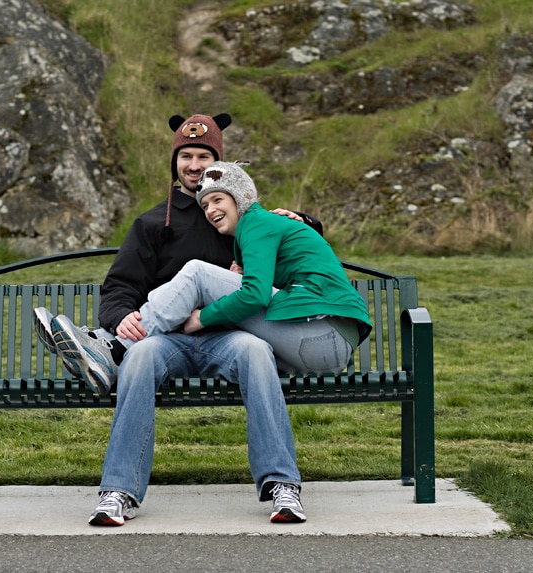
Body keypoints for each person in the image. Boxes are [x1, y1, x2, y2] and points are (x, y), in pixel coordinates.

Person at [35, 113, 322, 526]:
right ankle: (119, 491)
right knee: (139, 357)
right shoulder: (152, 223)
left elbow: (296, 260)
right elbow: (118, 288)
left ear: (220, 164)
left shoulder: (244, 218)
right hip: (164, 339)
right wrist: (120, 320)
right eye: (185, 156)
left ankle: (283, 486)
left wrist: (305, 222)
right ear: (175, 164)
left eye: (204, 156)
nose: (194, 165)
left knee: (258, 352)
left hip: (230, 335)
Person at [43, 160, 372, 386]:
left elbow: (255, 295)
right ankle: (103, 346)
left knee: (198, 273)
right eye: (204, 204)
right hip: (318, 342)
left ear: (241, 198)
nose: (211, 209)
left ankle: (111, 350)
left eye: (218, 199)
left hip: (325, 337)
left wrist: (203, 317)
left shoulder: (258, 223)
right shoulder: (252, 234)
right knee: (205, 278)